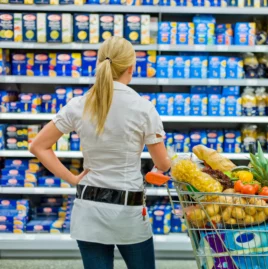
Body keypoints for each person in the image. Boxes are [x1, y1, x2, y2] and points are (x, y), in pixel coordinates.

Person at [29, 36, 170, 269]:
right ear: (131, 68)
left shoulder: (79, 104)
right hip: (128, 210)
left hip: (88, 209)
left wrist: (72, 178)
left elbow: (38, 146)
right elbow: (162, 164)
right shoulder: (144, 108)